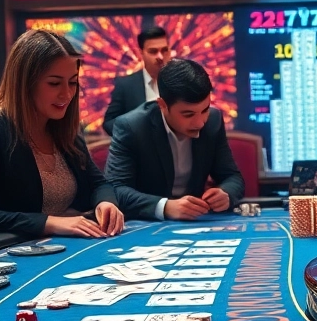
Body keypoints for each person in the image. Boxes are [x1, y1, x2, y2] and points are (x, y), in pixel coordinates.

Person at [0, 29, 125, 243]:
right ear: (25, 83)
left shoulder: (64, 131)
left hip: (45, 249)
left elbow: (99, 184)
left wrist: (106, 203)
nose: (67, 94)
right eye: (54, 83)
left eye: (72, 82)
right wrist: (49, 222)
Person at [105, 58, 245, 221]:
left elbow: (233, 178)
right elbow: (115, 189)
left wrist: (225, 194)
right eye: (188, 114)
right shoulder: (131, 126)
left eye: (205, 110)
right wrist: (165, 207)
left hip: (197, 223)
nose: (200, 122)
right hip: (146, 226)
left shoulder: (213, 120)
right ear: (162, 105)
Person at [103, 26, 171, 134]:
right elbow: (109, 123)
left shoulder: (181, 82)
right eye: (153, 51)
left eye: (164, 50)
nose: (160, 57)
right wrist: (133, 131)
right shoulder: (126, 85)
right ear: (141, 52)